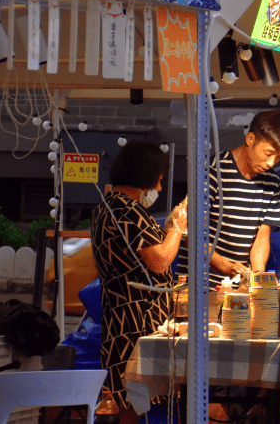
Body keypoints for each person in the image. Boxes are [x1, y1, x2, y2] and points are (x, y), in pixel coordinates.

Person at [91, 140, 187, 424]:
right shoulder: (125, 210)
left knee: (132, 402)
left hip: (122, 317)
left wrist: (170, 228)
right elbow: (159, 260)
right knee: (133, 401)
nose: (159, 187)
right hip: (134, 321)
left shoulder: (109, 207)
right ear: (144, 176)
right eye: (158, 179)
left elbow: (143, 252)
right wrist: (178, 227)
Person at [178, 109, 280, 289]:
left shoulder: (272, 182)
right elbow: (192, 235)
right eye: (268, 153)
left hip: (238, 289)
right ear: (250, 139)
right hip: (199, 287)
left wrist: (257, 276)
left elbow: (261, 238)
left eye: (278, 157)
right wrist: (225, 267)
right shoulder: (213, 170)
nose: (271, 163)